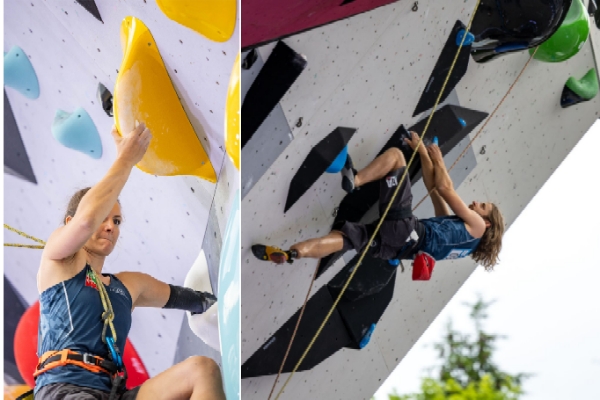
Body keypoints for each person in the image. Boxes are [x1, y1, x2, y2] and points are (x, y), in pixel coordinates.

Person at [34, 123, 226, 400]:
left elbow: (200, 301)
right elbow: (86, 219)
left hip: (112, 393)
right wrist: (126, 160)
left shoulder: (130, 286)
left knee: (201, 369)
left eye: (117, 220)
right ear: (69, 223)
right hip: (65, 390)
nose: (111, 227)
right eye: (105, 218)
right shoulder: (59, 260)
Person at [252, 132, 505, 271]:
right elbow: (434, 191)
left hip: (407, 229)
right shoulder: (463, 244)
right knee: (344, 239)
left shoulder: (478, 227)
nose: (475, 203)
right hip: (395, 248)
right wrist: (421, 154)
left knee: (396, 157)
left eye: (482, 207)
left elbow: (444, 187)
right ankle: (290, 253)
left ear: (488, 224)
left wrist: (438, 159)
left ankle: (356, 179)